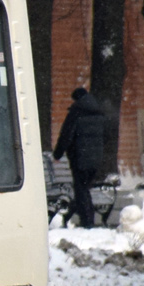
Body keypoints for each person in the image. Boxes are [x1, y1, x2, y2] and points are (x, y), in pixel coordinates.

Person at [53, 87, 109, 228]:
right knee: (85, 188)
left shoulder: (76, 113)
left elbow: (66, 135)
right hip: (95, 160)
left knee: (81, 189)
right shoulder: (99, 114)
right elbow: (107, 137)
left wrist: (57, 154)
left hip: (79, 158)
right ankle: (87, 219)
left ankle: (87, 222)